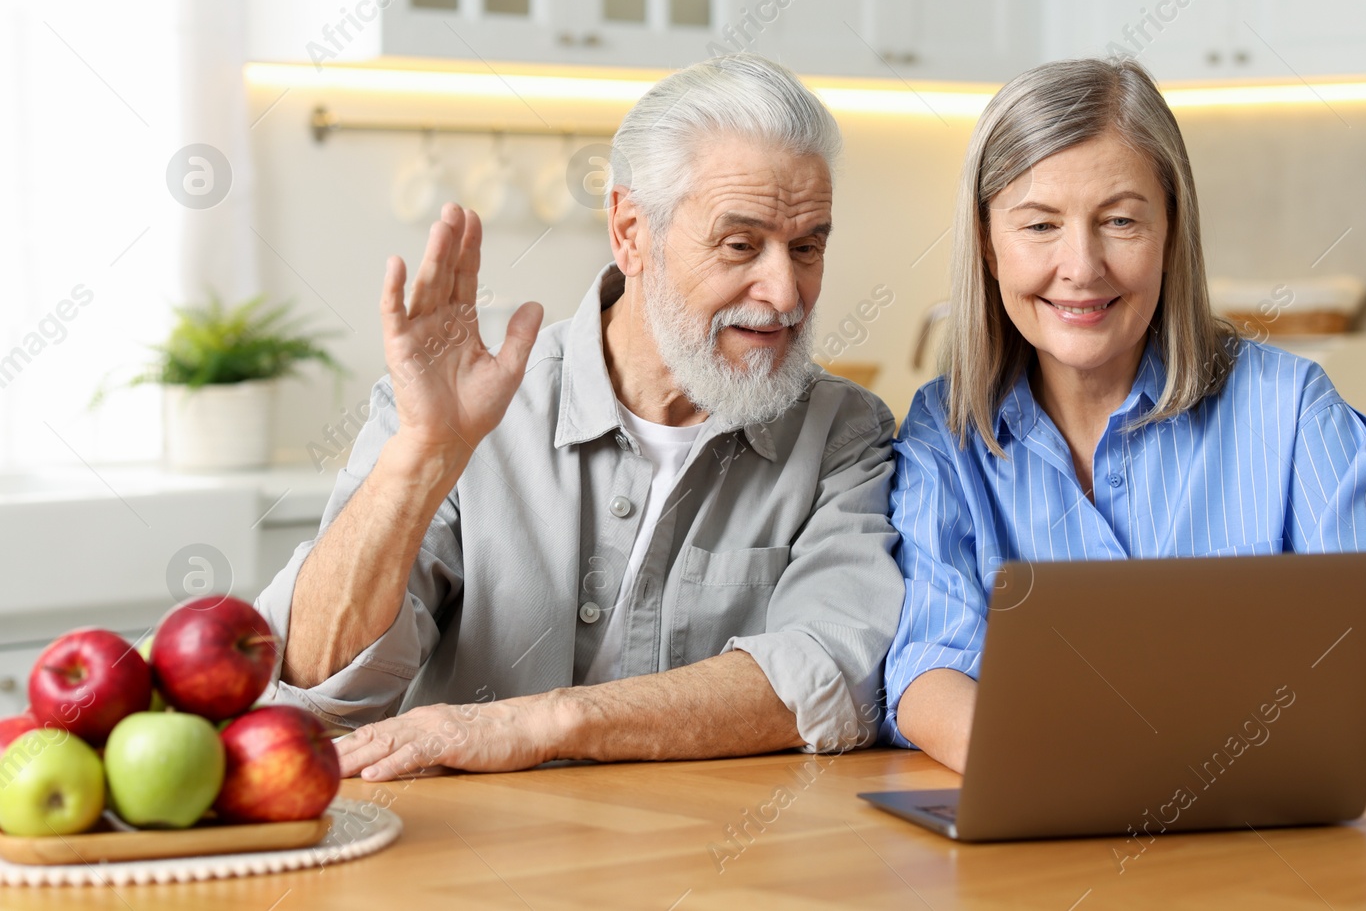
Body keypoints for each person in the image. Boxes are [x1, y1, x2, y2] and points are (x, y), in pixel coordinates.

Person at [256, 55, 903, 781]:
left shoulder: (845, 434)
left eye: (808, 245)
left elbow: (833, 673)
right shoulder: (472, 407)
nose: (785, 290)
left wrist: (545, 719)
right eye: (741, 245)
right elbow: (315, 687)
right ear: (630, 231)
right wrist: (422, 456)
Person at [883, 57, 1366, 773]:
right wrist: (1066, 771)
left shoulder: (1293, 416)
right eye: (1039, 224)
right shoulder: (941, 435)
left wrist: (1177, 763)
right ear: (987, 241)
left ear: (1172, 229)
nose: (1081, 265)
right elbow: (926, 667)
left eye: (1122, 221)